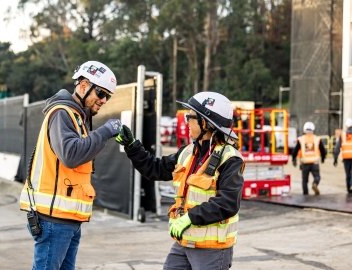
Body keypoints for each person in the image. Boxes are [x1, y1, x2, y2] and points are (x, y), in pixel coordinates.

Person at [116, 91, 245, 270]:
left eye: (190, 117)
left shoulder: (230, 159)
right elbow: (156, 169)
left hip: (212, 249)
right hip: (185, 241)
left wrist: (189, 218)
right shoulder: (188, 152)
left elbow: (228, 202)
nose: (186, 121)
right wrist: (132, 147)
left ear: (206, 123)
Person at [19, 60, 122, 270]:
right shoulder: (62, 113)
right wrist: (104, 132)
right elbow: (71, 155)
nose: (103, 100)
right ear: (83, 85)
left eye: (108, 97)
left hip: (68, 219)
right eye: (101, 93)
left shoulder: (77, 116)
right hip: (54, 219)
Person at [292, 121, 327, 195]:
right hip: (315, 162)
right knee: (317, 177)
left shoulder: (301, 139)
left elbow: (295, 150)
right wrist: (323, 158)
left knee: (305, 181)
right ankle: (315, 184)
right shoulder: (317, 139)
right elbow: (323, 150)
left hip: (305, 163)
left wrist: (293, 159)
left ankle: (305, 195)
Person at [333, 118, 352, 194]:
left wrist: (335, 158)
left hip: (346, 158)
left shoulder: (343, 135)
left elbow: (337, 147)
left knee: (348, 174)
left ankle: (348, 188)